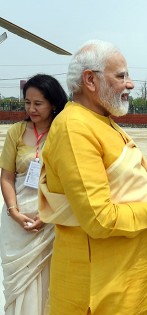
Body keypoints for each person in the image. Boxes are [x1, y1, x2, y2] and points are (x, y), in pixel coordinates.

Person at [37, 40, 147, 315]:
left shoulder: (104, 121)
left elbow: (132, 188)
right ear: (90, 80)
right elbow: (100, 219)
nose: (131, 84)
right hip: (98, 290)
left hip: (130, 281)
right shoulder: (74, 128)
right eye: (122, 75)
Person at [0, 74, 68, 315]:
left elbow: (70, 182)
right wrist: (14, 212)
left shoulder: (63, 132)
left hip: (49, 222)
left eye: (38, 103)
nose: (31, 109)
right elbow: (6, 176)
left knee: (48, 281)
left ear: (53, 104)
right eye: (27, 102)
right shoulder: (16, 132)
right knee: (19, 286)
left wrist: (48, 215)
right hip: (16, 222)